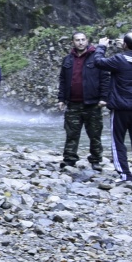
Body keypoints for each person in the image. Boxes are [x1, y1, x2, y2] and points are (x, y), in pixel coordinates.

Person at [96, 32, 132, 186]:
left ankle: (125, 175)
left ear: (125, 45)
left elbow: (99, 62)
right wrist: (128, 46)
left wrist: (101, 46)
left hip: (122, 107)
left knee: (118, 142)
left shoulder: (119, 60)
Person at [57, 32, 105, 172]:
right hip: (73, 103)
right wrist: (61, 99)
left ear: (87, 41)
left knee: (95, 134)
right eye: (77, 40)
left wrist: (104, 98)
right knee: (71, 133)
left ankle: (96, 160)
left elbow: (104, 78)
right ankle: (69, 160)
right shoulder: (67, 60)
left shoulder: (96, 58)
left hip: (92, 103)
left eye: (83, 40)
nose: (80, 42)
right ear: (73, 42)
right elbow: (63, 80)